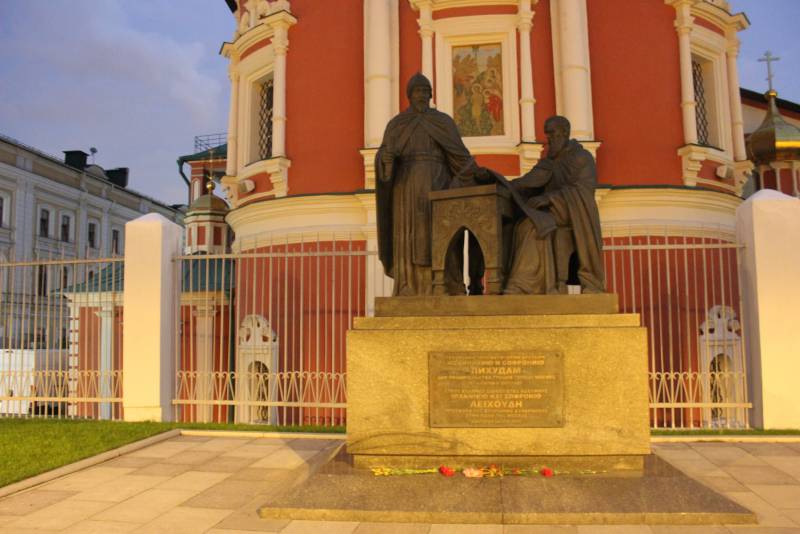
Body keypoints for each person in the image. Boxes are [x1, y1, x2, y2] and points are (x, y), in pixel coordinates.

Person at [375, 73, 491, 296]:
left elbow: (459, 156)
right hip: (406, 188)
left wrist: (478, 173)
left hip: (439, 185)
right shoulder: (397, 124)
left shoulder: (443, 122)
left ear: (431, 95)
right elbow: (384, 156)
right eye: (418, 91)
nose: (422, 95)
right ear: (409, 95)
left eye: (426, 91)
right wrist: (384, 159)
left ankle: (447, 284)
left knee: (442, 233)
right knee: (409, 236)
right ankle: (409, 286)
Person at [503, 115, 605, 294]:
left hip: (572, 212)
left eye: (552, 133)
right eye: (546, 134)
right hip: (552, 211)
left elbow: (583, 192)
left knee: (534, 226)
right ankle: (527, 283)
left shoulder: (581, 158)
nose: (548, 138)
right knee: (520, 224)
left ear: (565, 133)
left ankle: (524, 285)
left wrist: (549, 198)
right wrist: (503, 185)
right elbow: (528, 181)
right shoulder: (549, 161)